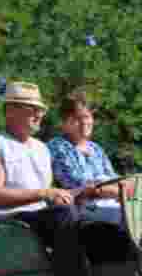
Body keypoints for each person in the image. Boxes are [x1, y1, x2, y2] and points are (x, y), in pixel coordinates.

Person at [0, 82, 85, 276]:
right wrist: (44, 193)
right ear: (10, 110)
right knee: (64, 216)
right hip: (9, 226)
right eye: (32, 108)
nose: (39, 114)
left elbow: (48, 195)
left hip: (39, 222)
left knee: (89, 221)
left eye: (41, 109)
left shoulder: (41, 148)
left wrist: (81, 193)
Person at [47, 92, 133, 227]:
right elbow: (78, 185)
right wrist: (117, 191)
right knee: (131, 218)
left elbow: (113, 178)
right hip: (79, 212)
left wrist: (127, 186)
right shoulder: (58, 147)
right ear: (64, 122)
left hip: (107, 205)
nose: (84, 123)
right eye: (77, 118)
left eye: (87, 117)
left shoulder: (96, 148)